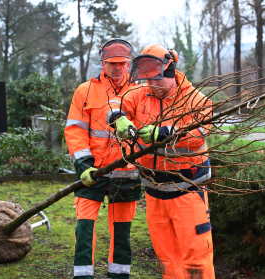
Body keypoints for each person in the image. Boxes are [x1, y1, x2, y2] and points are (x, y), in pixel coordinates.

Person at [109, 44, 215, 279]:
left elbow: (199, 134)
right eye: (147, 81)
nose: (152, 86)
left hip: (187, 189)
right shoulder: (139, 94)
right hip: (154, 191)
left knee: (195, 256)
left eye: (157, 80)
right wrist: (118, 119)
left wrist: (167, 132)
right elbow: (115, 103)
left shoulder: (196, 100)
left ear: (170, 72)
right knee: (167, 258)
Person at [64, 38, 141, 279]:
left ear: (129, 64)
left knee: (122, 231)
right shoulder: (85, 91)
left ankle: (119, 275)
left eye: (122, 63)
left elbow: (146, 131)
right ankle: (83, 275)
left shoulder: (139, 92)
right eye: (112, 64)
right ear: (103, 63)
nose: (117, 68)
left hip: (126, 172)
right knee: (84, 226)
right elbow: (75, 130)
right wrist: (83, 165)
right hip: (93, 171)